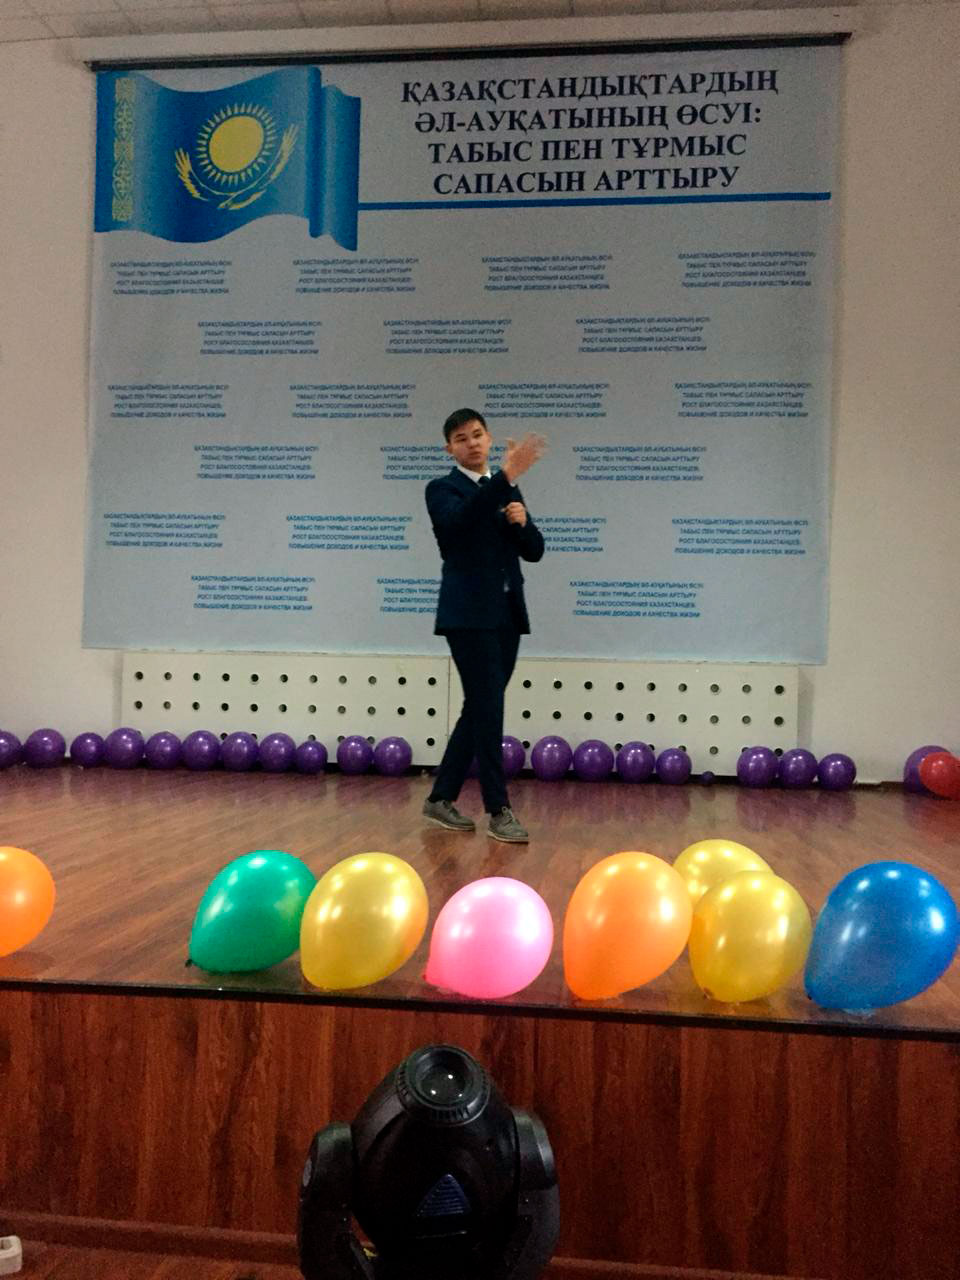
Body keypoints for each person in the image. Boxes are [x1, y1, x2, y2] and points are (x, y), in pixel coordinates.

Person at [422, 408, 546, 843]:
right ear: (449, 449)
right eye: (461, 438)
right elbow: (459, 523)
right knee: (489, 708)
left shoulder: (505, 486)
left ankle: (440, 798)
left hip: (507, 614)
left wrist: (522, 524)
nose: (472, 443)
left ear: (489, 438)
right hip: (468, 616)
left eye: (477, 434)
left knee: (480, 706)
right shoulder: (442, 489)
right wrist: (506, 477)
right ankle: (498, 809)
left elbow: (534, 551)